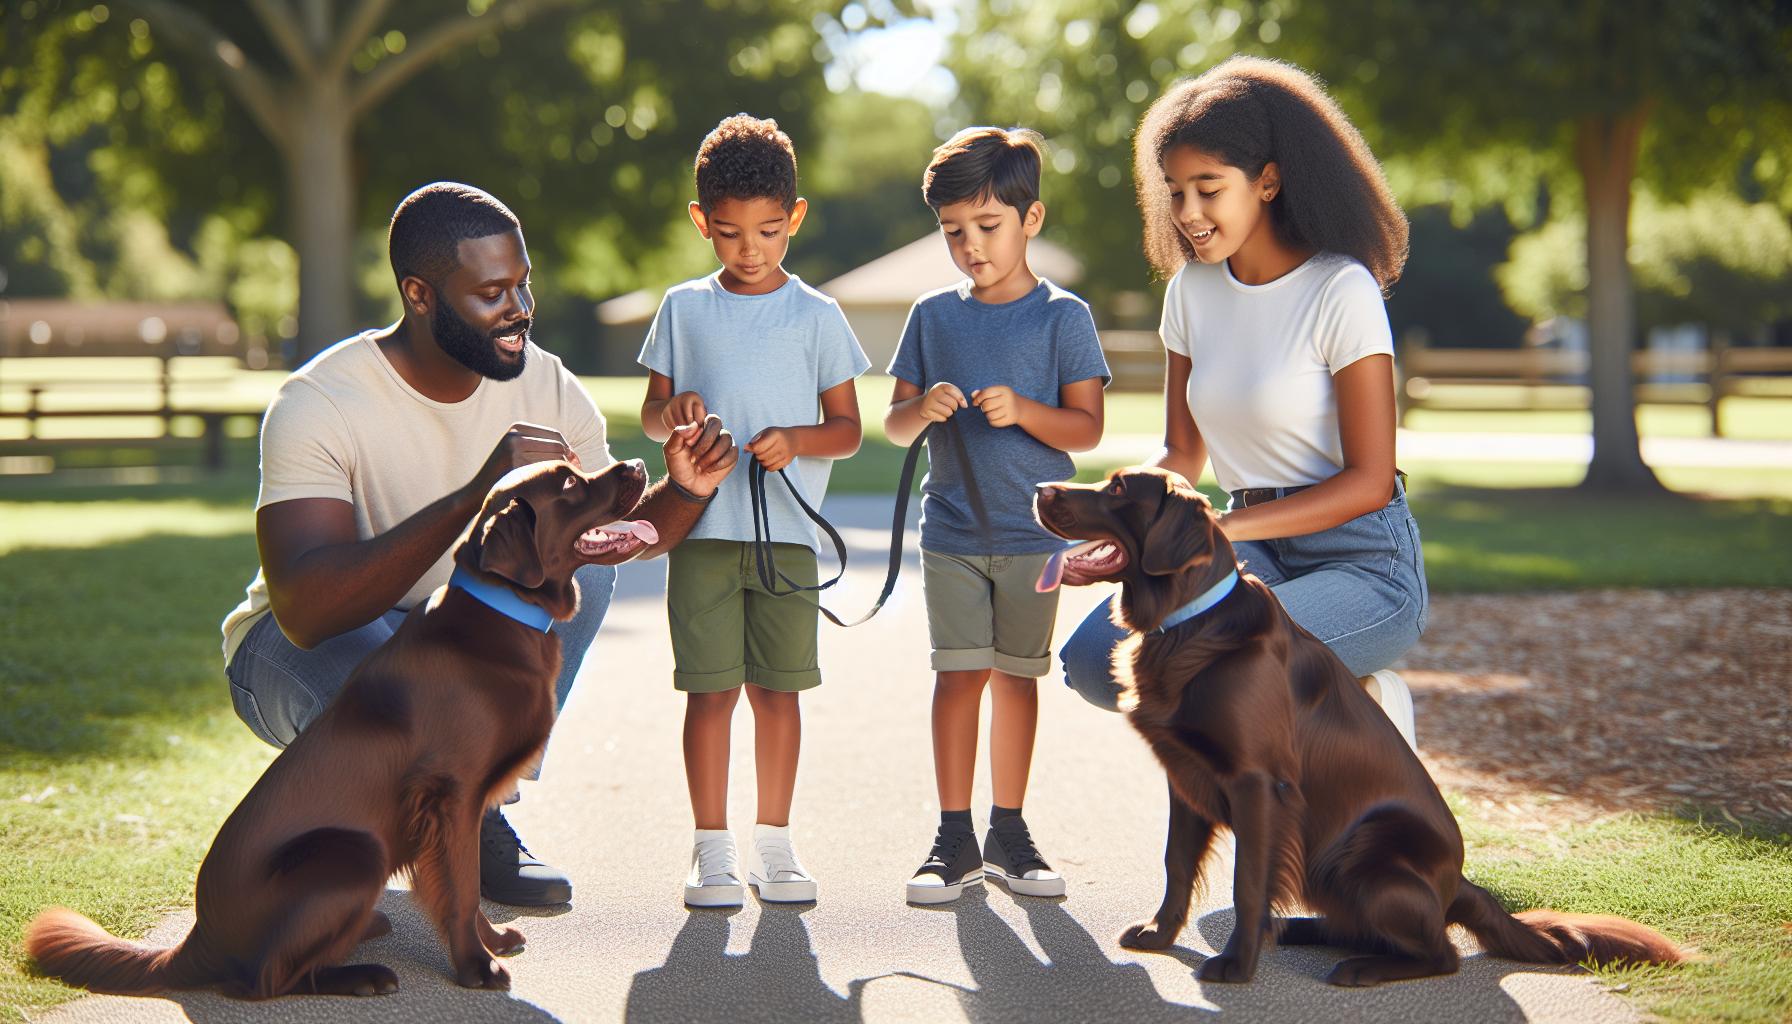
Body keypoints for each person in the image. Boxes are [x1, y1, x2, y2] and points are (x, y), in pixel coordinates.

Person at [221, 182, 738, 907]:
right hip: (295, 646)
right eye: (492, 292)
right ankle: (331, 831)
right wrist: (477, 495)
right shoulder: (322, 401)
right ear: (420, 294)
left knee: (582, 575)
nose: (520, 310)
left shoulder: (547, 382)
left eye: (523, 285)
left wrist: (685, 491)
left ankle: (480, 806)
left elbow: (605, 537)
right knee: (387, 692)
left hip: (443, 636)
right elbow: (306, 608)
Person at [1059, 55, 1426, 750]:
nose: (1189, 213)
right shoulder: (1192, 292)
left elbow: (1371, 480)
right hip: (1245, 548)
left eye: (1208, 188)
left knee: (1215, 665)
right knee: (1093, 664)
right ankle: (1335, 697)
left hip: (1361, 564)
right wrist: (1124, 527)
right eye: (1174, 191)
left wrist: (1220, 532)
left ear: (1267, 181)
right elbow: (1181, 453)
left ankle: (1369, 713)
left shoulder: (1338, 289)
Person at [638, 115, 870, 908]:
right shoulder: (683, 308)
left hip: (789, 540)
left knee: (780, 692)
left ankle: (776, 843)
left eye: (769, 230)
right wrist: (676, 413)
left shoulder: (818, 316)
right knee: (709, 693)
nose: (750, 249)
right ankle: (710, 850)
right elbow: (650, 410)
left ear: (795, 217)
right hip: (699, 533)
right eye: (730, 232)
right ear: (702, 221)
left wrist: (796, 439)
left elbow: (848, 430)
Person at [884, 127, 1110, 905]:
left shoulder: (1064, 318)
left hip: (1034, 538)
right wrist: (924, 407)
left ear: (1031, 220)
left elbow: (1087, 429)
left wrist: (1025, 412)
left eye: (987, 227)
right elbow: (892, 424)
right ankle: (954, 836)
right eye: (953, 232)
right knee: (958, 676)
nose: (971, 247)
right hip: (950, 532)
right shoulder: (932, 316)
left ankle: (1009, 831)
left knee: (1018, 680)